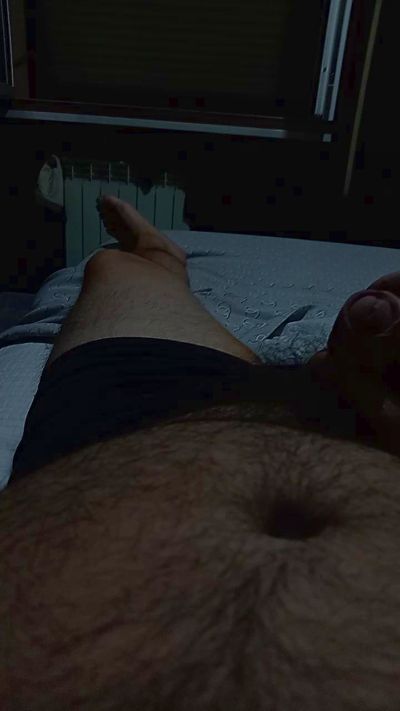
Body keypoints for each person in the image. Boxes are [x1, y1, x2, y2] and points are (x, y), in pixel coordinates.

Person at [1, 196, 400, 710]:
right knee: (114, 265)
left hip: (113, 435)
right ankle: (159, 252)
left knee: (113, 270)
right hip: (172, 412)